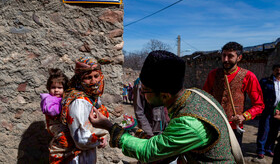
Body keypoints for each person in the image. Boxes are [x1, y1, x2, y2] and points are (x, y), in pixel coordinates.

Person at [89, 50, 238, 163]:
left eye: (145, 91)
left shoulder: (189, 123)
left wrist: (109, 126)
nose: (142, 95)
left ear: (165, 95)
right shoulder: (195, 94)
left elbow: (149, 151)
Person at [48, 57, 109, 163]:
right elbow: (81, 139)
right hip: (77, 158)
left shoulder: (91, 97)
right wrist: (100, 139)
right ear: (79, 79)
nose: (94, 81)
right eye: (88, 77)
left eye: (96, 76)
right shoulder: (78, 101)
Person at [203, 42, 264, 146]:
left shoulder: (248, 76)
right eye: (224, 55)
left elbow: (259, 105)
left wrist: (244, 116)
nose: (226, 59)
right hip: (213, 125)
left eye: (230, 56)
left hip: (234, 128)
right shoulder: (213, 74)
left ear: (239, 58)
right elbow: (204, 98)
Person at [40, 68, 74, 163]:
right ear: (48, 88)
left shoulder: (62, 99)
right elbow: (51, 111)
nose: (56, 90)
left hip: (63, 126)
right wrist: (63, 107)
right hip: (55, 126)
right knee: (64, 141)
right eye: (53, 87)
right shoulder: (48, 100)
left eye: (59, 88)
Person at [256, 64, 280, 159]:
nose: (279, 72)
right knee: (264, 130)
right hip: (266, 110)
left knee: (274, 131)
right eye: (277, 70)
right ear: (273, 71)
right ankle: (260, 150)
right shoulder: (265, 81)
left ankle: (269, 149)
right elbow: (258, 95)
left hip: (277, 111)